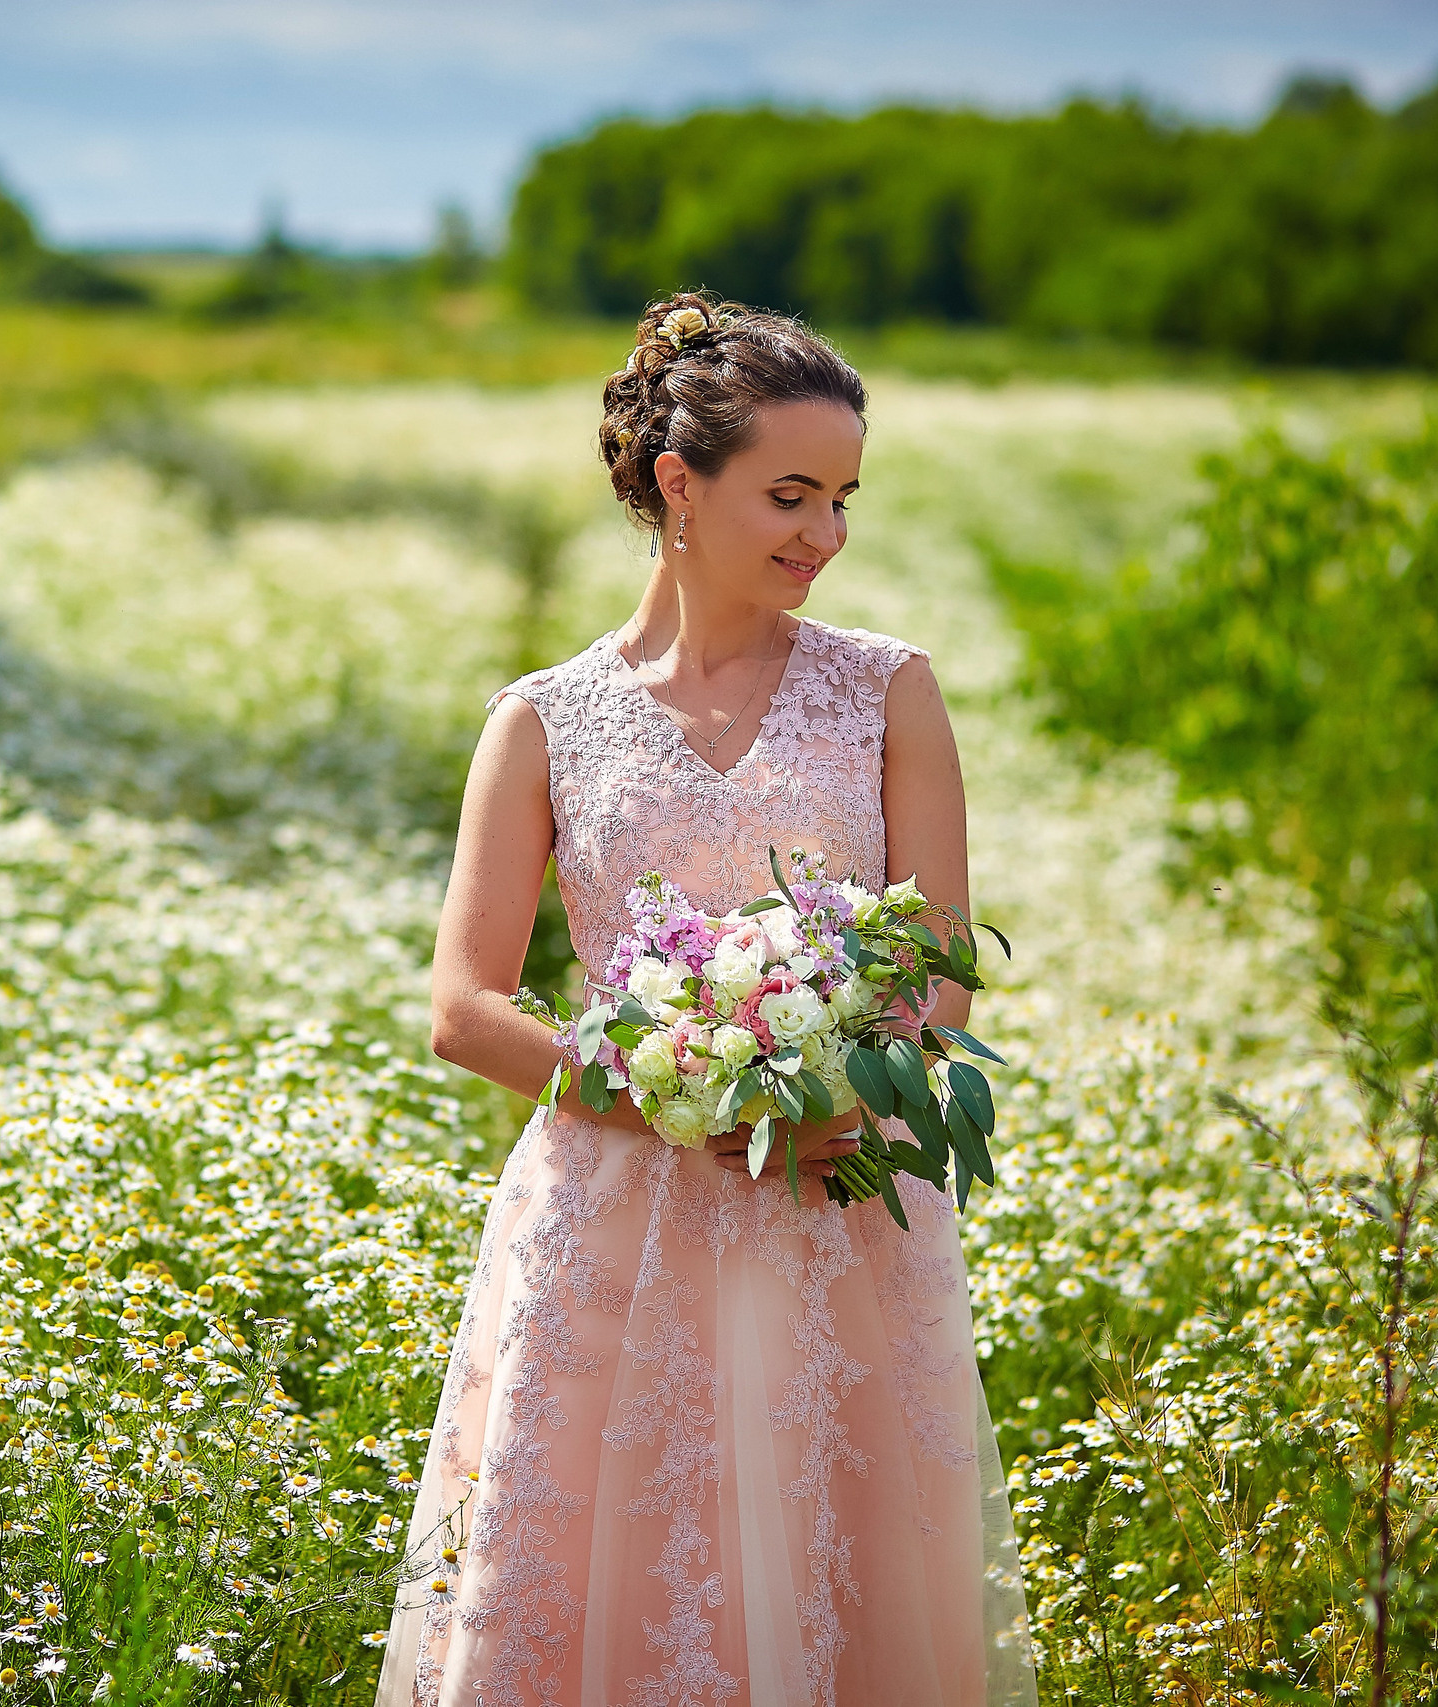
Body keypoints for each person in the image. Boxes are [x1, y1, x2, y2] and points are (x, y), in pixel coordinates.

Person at [375, 292, 1037, 1707]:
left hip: (838, 1198)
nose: (826, 534)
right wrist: (685, 1106)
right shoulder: (543, 720)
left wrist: (831, 1094)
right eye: (790, 496)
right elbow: (465, 1008)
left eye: (843, 499)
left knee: (834, 1580)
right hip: (616, 1210)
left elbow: (940, 976)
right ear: (680, 484)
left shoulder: (889, 692)